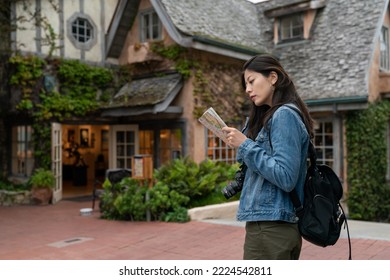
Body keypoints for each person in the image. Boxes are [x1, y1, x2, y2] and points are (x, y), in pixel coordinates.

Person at [222, 54, 314, 260]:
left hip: (271, 227)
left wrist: (245, 145)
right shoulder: (272, 116)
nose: (247, 90)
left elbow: (285, 177)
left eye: (251, 81)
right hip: (270, 224)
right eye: (246, 84)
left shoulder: (284, 115)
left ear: (273, 77)